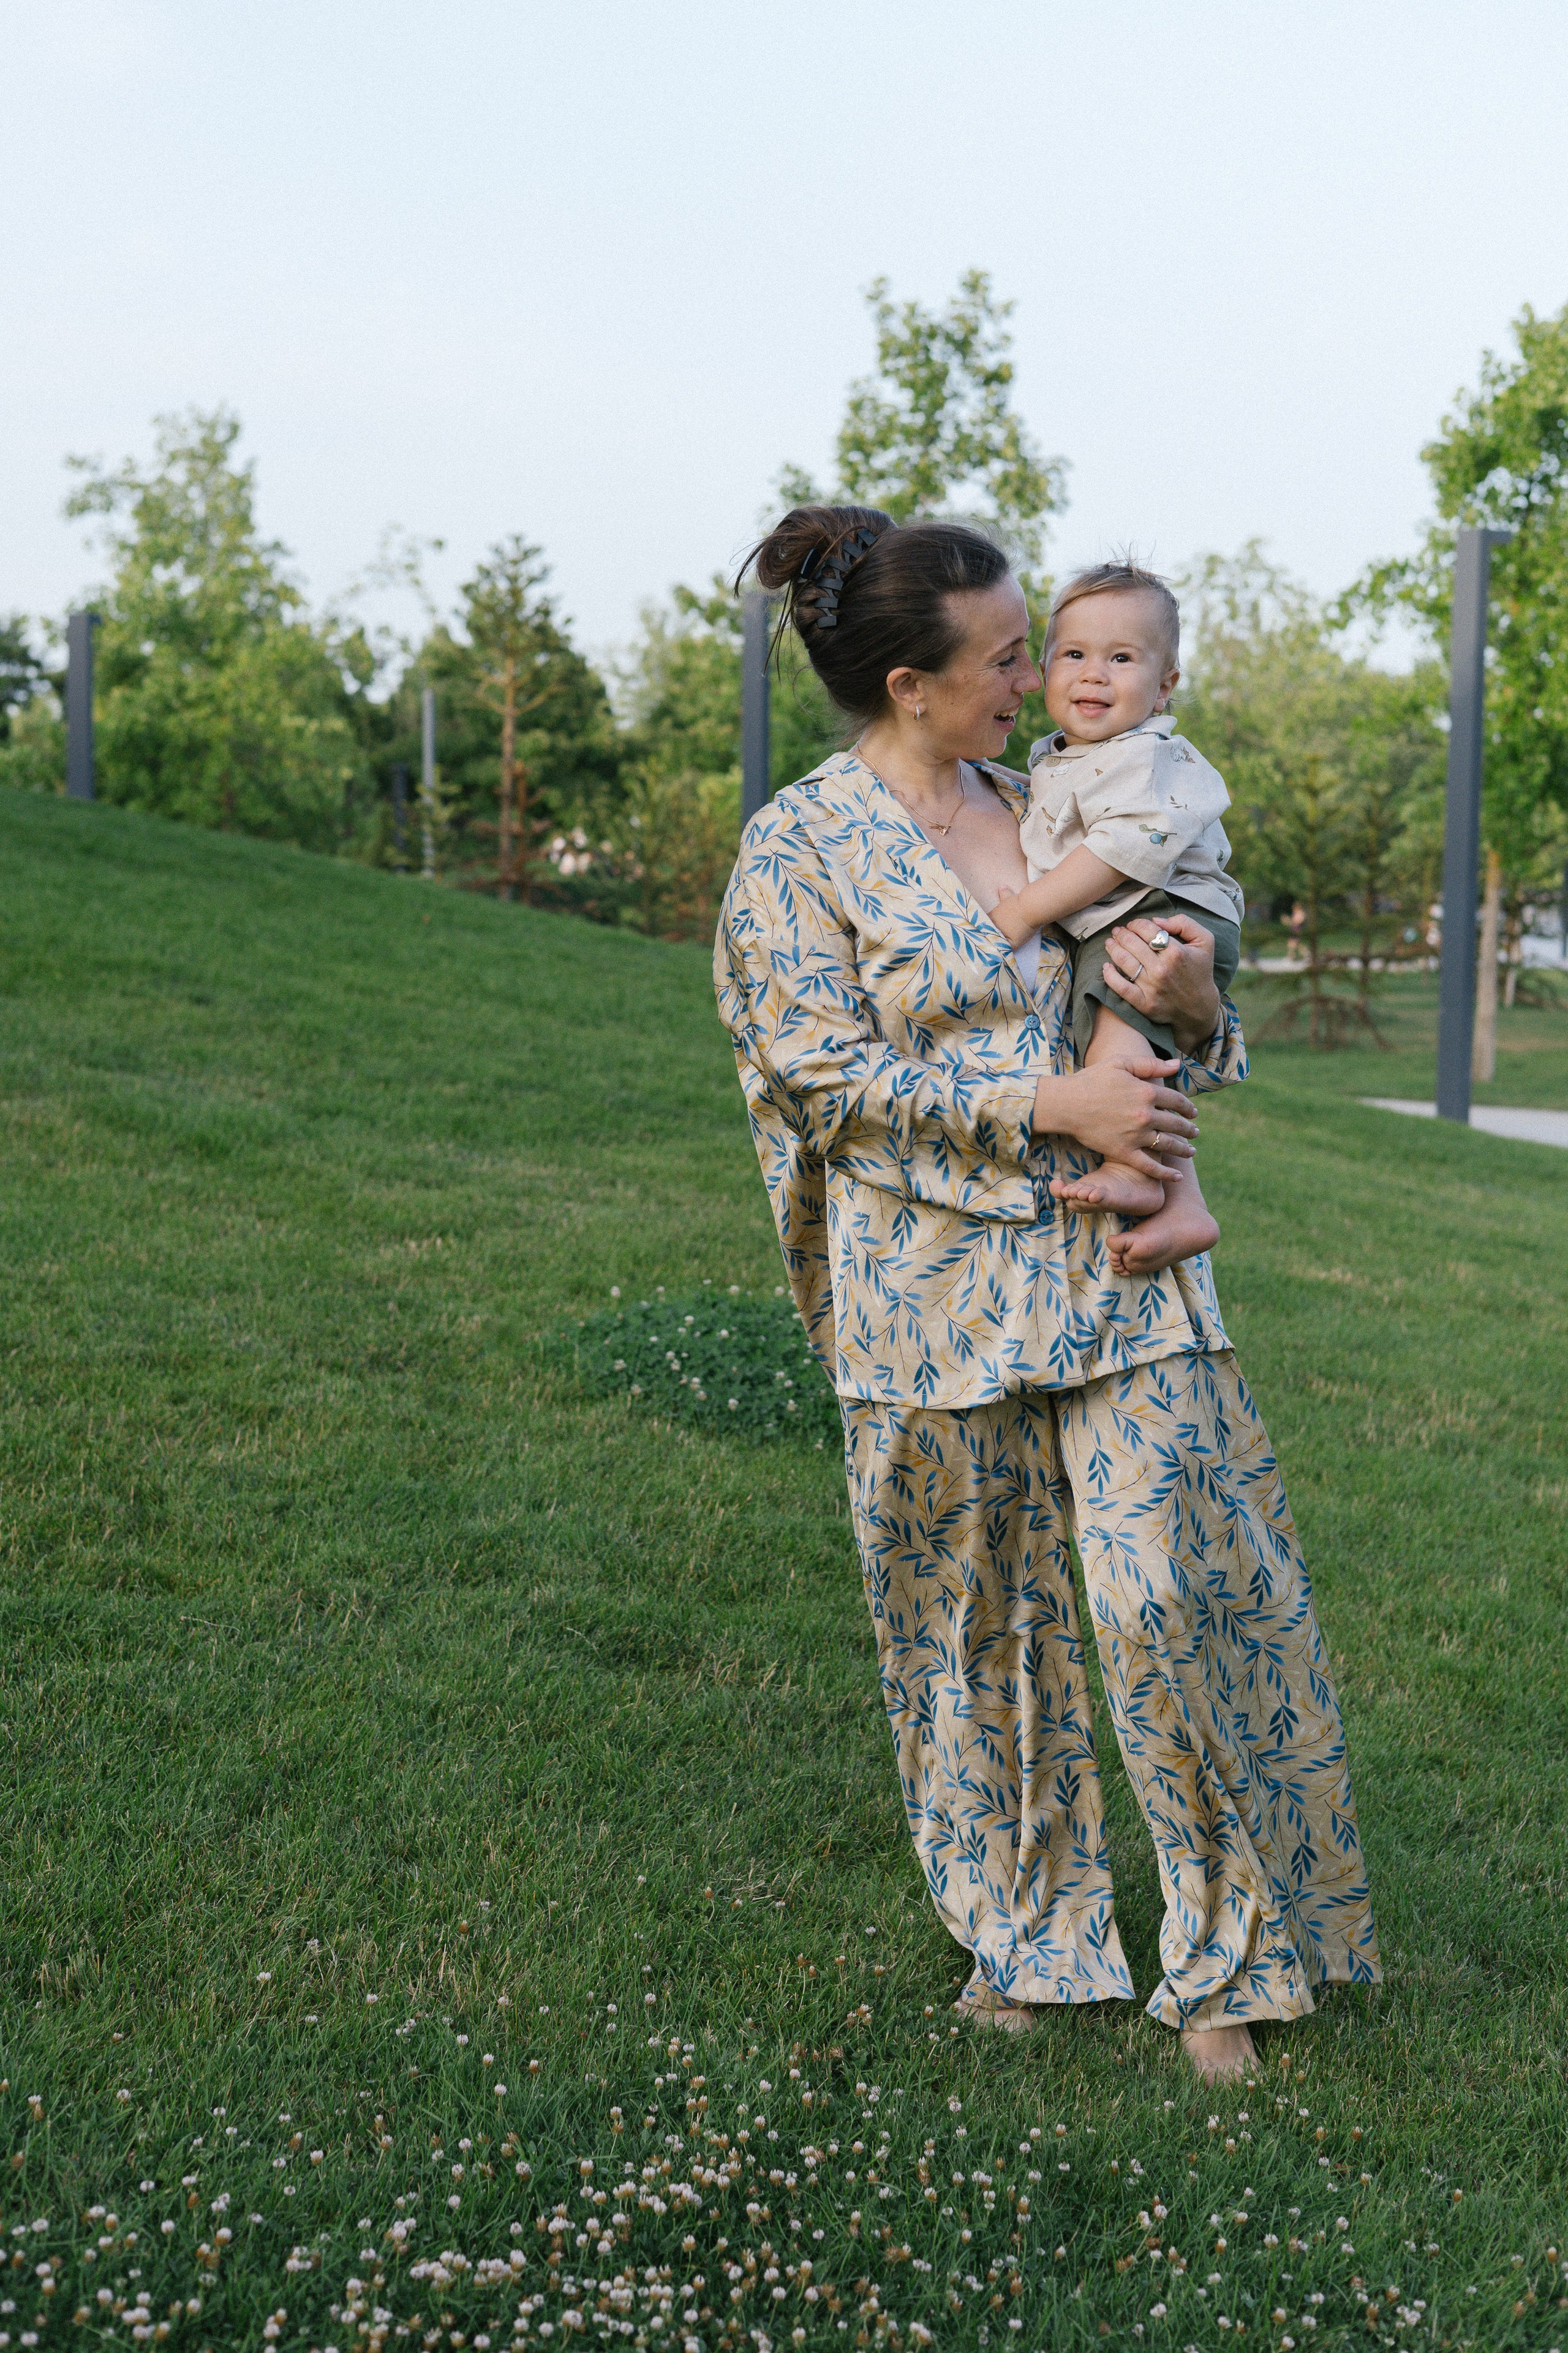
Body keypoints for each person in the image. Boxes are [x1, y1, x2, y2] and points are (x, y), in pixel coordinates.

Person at [714, 503, 1380, 2083]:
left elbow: (1173, 1010)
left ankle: (1229, 1959)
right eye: (1006, 655)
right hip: (923, 1301)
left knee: (1171, 1601)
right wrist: (1042, 1112)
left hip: (1115, 1274)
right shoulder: (795, 850)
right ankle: (1031, 1939)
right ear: (906, 683)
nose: (1036, 677)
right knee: (975, 1636)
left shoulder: (1063, 802)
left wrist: (1200, 1003)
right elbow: (810, 1074)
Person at [988, 562, 1244, 1275]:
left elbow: (1118, 851)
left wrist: (1022, 912)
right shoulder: (1058, 758)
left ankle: (1135, 1171)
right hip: (1130, 918)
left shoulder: (1149, 755)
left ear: (1165, 686)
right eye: (1073, 655)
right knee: (1130, 1045)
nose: (1093, 674)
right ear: (1043, 669)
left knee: (1117, 1037)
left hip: (1168, 913)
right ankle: (1184, 1203)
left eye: (1121, 658)